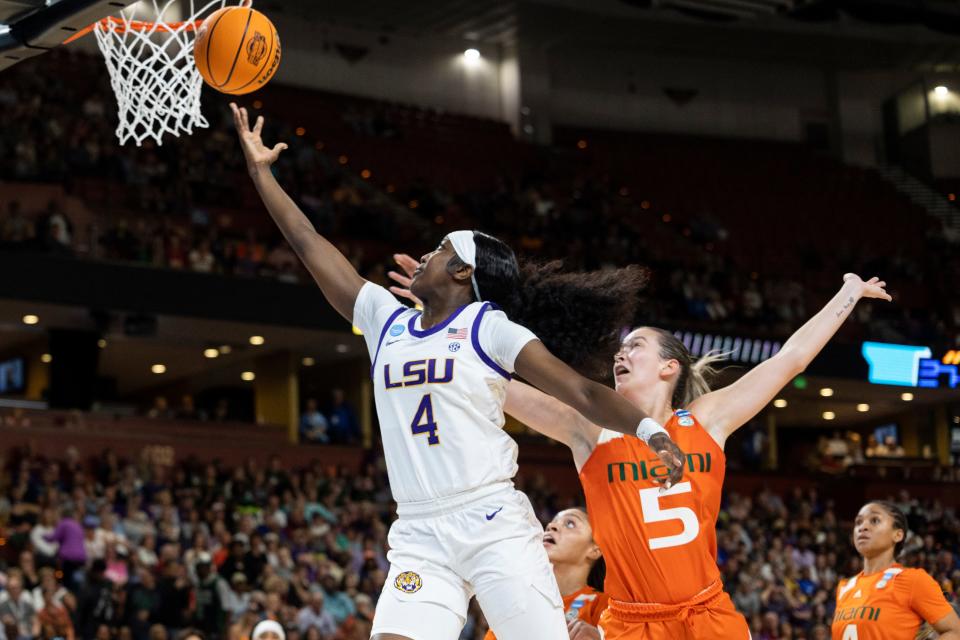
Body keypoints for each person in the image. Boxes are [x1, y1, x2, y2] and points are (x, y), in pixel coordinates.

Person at [230, 103, 684, 640]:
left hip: (492, 521)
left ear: (463, 271)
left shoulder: (489, 328)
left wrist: (651, 431)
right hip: (419, 530)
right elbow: (309, 243)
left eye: (440, 248)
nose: (426, 253)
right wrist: (262, 174)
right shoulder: (385, 320)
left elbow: (581, 390)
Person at [391, 262, 892, 639]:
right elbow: (490, 380)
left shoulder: (709, 419)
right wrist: (440, 317)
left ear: (669, 367)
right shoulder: (588, 430)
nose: (621, 354)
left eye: (636, 347)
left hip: (706, 614)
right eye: (620, 349)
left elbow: (792, 357)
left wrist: (848, 293)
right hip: (629, 624)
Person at [832, 501, 960, 639]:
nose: (862, 527)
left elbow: (955, 632)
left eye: (875, 520)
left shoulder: (913, 580)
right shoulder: (844, 587)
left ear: (897, 535)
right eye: (858, 522)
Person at [483, 508, 608, 640]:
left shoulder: (604, 605)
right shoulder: (519, 603)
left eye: (570, 523)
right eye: (552, 522)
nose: (551, 526)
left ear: (595, 550)